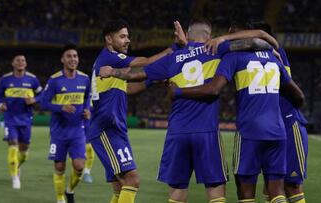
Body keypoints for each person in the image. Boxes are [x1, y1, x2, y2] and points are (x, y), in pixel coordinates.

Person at [99, 18, 277, 203]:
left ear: (188, 34)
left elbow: (137, 75)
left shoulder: (172, 58)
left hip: (177, 132)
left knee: (177, 193)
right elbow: (258, 41)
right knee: (215, 190)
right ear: (209, 35)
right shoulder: (217, 49)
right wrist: (270, 50)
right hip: (206, 131)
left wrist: (113, 72)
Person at [167, 19, 305, 203]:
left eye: (231, 34)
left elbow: (213, 89)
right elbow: (299, 97)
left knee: (246, 193)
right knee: (277, 191)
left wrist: (177, 91)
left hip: (250, 130)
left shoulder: (232, 57)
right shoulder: (274, 56)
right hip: (279, 130)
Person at [88, 19, 178, 203]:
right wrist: (175, 47)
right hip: (107, 128)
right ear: (109, 39)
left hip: (113, 128)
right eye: (122, 36)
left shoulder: (113, 66)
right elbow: (146, 62)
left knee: (120, 188)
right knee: (132, 179)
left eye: (128, 36)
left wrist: (151, 80)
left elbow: (128, 89)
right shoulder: (110, 57)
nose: (128, 40)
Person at [252, 21, 308, 203]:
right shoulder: (253, 59)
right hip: (270, 129)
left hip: (289, 125)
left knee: (292, 185)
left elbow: (297, 95)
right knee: (271, 187)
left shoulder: (278, 54)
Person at [41, 44, 91, 203]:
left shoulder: (85, 78)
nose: (73, 59)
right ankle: (60, 198)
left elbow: (88, 97)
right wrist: (60, 107)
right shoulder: (55, 80)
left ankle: (70, 190)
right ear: (63, 59)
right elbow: (43, 103)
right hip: (59, 131)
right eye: (69, 56)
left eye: (75, 56)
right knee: (60, 167)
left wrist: (88, 109)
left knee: (79, 166)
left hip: (77, 130)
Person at [0, 54, 42, 189]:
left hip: (26, 119)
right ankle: (15, 177)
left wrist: (34, 100)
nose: (21, 62)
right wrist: (1, 105)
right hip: (10, 118)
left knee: (24, 152)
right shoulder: (4, 80)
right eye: (18, 60)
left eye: (23, 60)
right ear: (13, 63)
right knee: (13, 144)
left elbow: (42, 94)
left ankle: (17, 166)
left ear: (26, 64)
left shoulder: (33, 80)